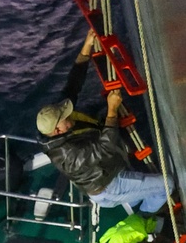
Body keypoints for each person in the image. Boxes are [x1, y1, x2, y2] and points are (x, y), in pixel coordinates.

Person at [36, 31, 171, 213]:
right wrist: (112, 110)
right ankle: (145, 217)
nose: (69, 114)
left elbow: (73, 85)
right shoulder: (68, 155)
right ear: (58, 130)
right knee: (167, 184)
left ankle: (137, 203)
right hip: (109, 188)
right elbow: (105, 147)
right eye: (65, 117)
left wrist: (87, 46)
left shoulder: (57, 127)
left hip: (109, 170)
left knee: (137, 193)